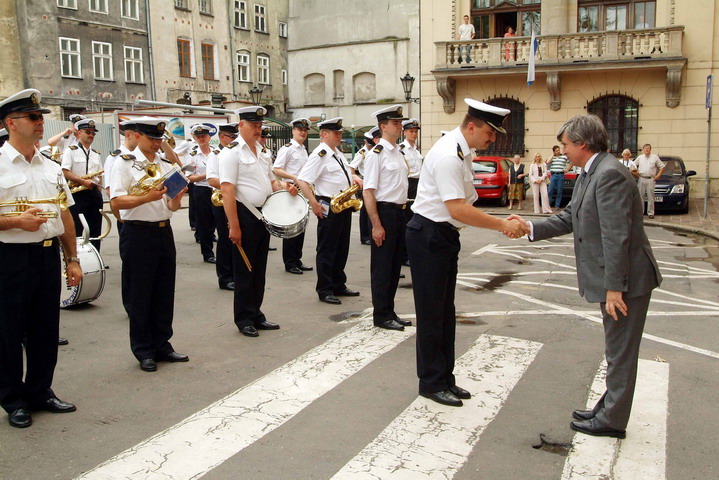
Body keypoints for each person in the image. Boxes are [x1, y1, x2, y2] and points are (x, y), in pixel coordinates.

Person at [509, 114, 662, 438]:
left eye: (565, 145)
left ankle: (612, 421)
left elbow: (616, 235)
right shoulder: (592, 172)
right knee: (616, 348)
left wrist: (614, 288)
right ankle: (608, 409)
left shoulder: (609, 175)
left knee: (620, 352)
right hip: (621, 279)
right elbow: (569, 218)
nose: (562, 150)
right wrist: (529, 226)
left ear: (582, 143)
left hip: (628, 281)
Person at [407, 98, 524, 407]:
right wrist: (501, 225)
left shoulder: (462, 152)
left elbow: (463, 204)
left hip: (442, 235)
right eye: (490, 132)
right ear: (471, 126)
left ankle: (445, 377)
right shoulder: (449, 154)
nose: (493, 138)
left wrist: (501, 220)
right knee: (433, 313)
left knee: (445, 311)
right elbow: (457, 208)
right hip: (430, 235)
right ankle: (431, 382)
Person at [0, 88, 82, 428]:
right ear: (10, 123)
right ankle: (13, 399)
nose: (40, 123)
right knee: (8, 331)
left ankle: (40, 390)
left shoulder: (50, 166)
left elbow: (63, 214)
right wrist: (17, 221)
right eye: (33, 118)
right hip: (10, 257)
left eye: (40, 117)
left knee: (45, 329)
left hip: (47, 257)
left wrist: (73, 258)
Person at [110, 117, 189, 372]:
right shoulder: (124, 163)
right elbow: (116, 202)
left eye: (159, 139)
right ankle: (143, 349)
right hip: (138, 233)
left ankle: (162, 344)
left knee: (164, 291)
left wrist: (176, 198)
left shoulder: (166, 164)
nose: (157, 143)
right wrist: (146, 197)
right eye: (152, 138)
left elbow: (171, 205)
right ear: (137, 136)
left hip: (163, 231)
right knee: (140, 294)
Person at [219, 106, 298, 337]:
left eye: (260, 126)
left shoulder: (262, 152)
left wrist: (285, 188)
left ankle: (256, 313)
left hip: (263, 214)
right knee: (245, 269)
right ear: (240, 125)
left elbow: (271, 182)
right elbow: (226, 189)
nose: (258, 129)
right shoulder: (231, 152)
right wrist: (233, 225)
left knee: (259, 268)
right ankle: (243, 318)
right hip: (244, 215)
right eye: (253, 125)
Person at [297, 117, 363, 305]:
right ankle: (325, 289)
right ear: (324, 134)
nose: (340, 136)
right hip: (328, 204)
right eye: (336, 133)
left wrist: (355, 177)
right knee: (327, 248)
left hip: (343, 203)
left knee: (341, 247)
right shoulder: (320, 153)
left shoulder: (336, 152)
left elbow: (345, 172)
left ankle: (338, 284)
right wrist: (314, 203)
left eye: (340, 133)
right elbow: (303, 180)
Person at [363, 105, 412, 331]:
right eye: (395, 123)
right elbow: (368, 191)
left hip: (400, 212)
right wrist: (376, 224)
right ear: (383, 127)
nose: (399, 126)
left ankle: (390, 311)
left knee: (394, 267)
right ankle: (381, 315)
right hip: (385, 212)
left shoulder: (398, 152)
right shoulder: (376, 154)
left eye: (400, 122)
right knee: (382, 268)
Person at [104, 119, 139, 315]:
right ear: (128, 135)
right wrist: (120, 218)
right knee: (130, 263)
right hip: (126, 216)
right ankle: (130, 305)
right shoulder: (116, 158)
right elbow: (111, 191)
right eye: (138, 134)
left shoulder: (146, 157)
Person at [273, 118, 314, 274]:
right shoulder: (288, 148)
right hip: (291, 189)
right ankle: (290, 262)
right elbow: (276, 169)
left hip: (302, 190)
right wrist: (294, 177)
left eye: (304, 130)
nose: (302, 132)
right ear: (293, 131)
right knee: (291, 228)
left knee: (301, 226)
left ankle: (297, 259)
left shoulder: (303, 150)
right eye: (299, 130)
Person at [60, 118, 104, 251]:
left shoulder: (96, 154)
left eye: (93, 133)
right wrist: (82, 181)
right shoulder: (71, 150)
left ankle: (96, 257)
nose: (91, 135)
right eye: (87, 132)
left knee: (96, 228)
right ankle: (78, 257)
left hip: (93, 193)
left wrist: (98, 193)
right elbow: (65, 171)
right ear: (79, 134)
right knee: (77, 228)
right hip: (77, 194)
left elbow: (99, 176)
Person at [206, 122, 237, 291]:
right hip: (221, 199)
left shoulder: (234, 152)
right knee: (225, 238)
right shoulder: (215, 154)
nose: (233, 140)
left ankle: (234, 273)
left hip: (235, 198)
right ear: (221, 137)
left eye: (235, 137)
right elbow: (211, 179)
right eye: (231, 137)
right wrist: (231, 184)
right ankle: (225, 277)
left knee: (235, 240)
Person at [185, 124, 218, 264]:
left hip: (216, 190)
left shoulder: (217, 153)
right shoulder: (192, 156)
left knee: (218, 221)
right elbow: (189, 177)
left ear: (209, 137)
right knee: (204, 223)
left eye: (204, 136)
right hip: (201, 190)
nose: (201, 139)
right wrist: (206, 175)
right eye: (198, 137)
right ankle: (207, 252)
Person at [350, 126, 380, 245]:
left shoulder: (374, 151)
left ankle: (369, 233)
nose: (369, 146)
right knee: (365, 212)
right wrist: (356, 177)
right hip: (365, 182)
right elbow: (351, 167)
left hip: (373, 182)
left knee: (370, 211)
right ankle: (365, 236)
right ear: (365, 142)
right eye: (368, 144)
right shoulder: (361, 153)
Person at [399, 119, 423, 267]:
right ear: (405, 132)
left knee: (415, 218)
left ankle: (412, 252)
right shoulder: (401, 149)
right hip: (408, 184)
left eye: (416, 131)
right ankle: (404, 255)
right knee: (407, 220)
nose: (414, 134)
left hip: (418, 185)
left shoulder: (416, 150)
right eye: (411, 131)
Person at [634, 144, 665, 219]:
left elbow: (662, 166)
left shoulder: (655, 157)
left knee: (650, 197)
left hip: (651, 179)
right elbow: (633, 165)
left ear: (650, 149)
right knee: (640, 196)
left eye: (648, 149)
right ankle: (640, 212)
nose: (647, 150)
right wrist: (636, 173)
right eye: (645, 149)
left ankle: (650, 213)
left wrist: (658, 176)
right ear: (643, 149)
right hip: (641, 178)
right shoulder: (640, 157)